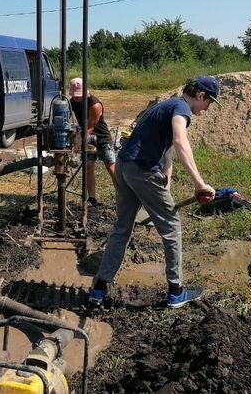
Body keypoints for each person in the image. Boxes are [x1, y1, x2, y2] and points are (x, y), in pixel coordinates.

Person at [89, 76, 221, 308]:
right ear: (200, 96)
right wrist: (199, 184)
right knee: (172, 228)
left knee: (122, 228)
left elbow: (167, 153)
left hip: (124, 166)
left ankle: (98, 290)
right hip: (141, 170)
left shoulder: (166, 106)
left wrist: (165, 187)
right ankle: (176, 292)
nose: (207, 109)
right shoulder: (182, 109)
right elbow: (180, 141)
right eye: (209, 103)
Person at [69, 78, 116, 207]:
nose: (77, 99)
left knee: (111, 167)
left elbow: (90, 127)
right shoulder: (72, 102)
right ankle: (92, 199)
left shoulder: (95, 105)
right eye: (75, 96)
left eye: (79, 96)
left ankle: (124, 196)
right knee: (89, 167)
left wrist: (78, 143)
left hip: (101, 138)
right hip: (87, 138)